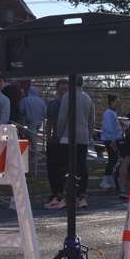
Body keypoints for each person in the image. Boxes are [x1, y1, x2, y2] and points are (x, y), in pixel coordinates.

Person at [56, 76, 96, 209]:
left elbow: (62, 117)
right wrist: (89, 135)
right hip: (83, 136)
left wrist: (58, 133)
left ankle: (61, 195)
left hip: (68, 136)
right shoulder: (87, 98)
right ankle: (81, 195)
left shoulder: (67, 96)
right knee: (81, 166)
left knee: (64, 166)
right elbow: (91, 120)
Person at [42, 80, 68, 208]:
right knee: (51, 169)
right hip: (54, 140)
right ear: (57, 89)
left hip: (66, 140)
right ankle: (54, 193)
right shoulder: (52, 104)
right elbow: (49, 122)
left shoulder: (70, 103)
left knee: (62, 169)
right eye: (61, 89)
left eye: (66, 90)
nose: (63, 92)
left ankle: (60, 194)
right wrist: (48, 138)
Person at [100, 94, 123, 189]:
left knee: (113, 159)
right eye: (117, 101)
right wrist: (112, 140)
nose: (119, 103)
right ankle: (105, 179)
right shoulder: (109, 113)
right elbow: (108, 127)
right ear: (112, 102)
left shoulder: (112, 112)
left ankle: (109, 179)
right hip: (110, 140)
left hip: (113, 139)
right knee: (112, 159)